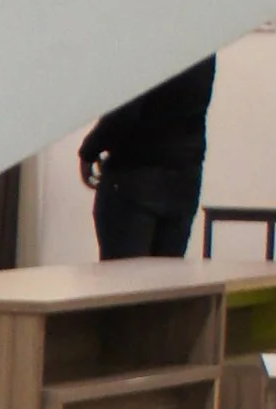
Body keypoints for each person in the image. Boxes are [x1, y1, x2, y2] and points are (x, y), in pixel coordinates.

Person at [78, 57, 215, 259]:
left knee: (125, 274)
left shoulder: (146, 48)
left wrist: (89, 150)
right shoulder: (204, 49)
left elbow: (125, 112)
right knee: (165, 275)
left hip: (134, 177)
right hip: (184, 180)